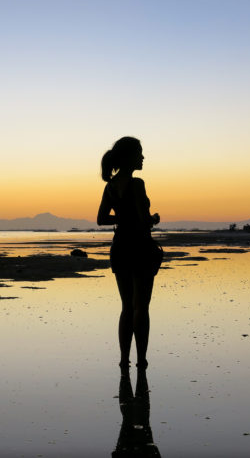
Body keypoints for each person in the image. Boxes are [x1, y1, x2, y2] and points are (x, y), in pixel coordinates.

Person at [97, 136, 162, 369]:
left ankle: (124, 361)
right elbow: (143, 221)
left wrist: (123, 218)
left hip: (120, 248)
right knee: (141, 307)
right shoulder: (137, 184)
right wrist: (153, 218)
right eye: (140, 153)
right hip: (141, 248)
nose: (143, 157)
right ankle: (141, 362)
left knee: (126, 307)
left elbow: (101, 219)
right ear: (129, 157)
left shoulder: (110, 186)